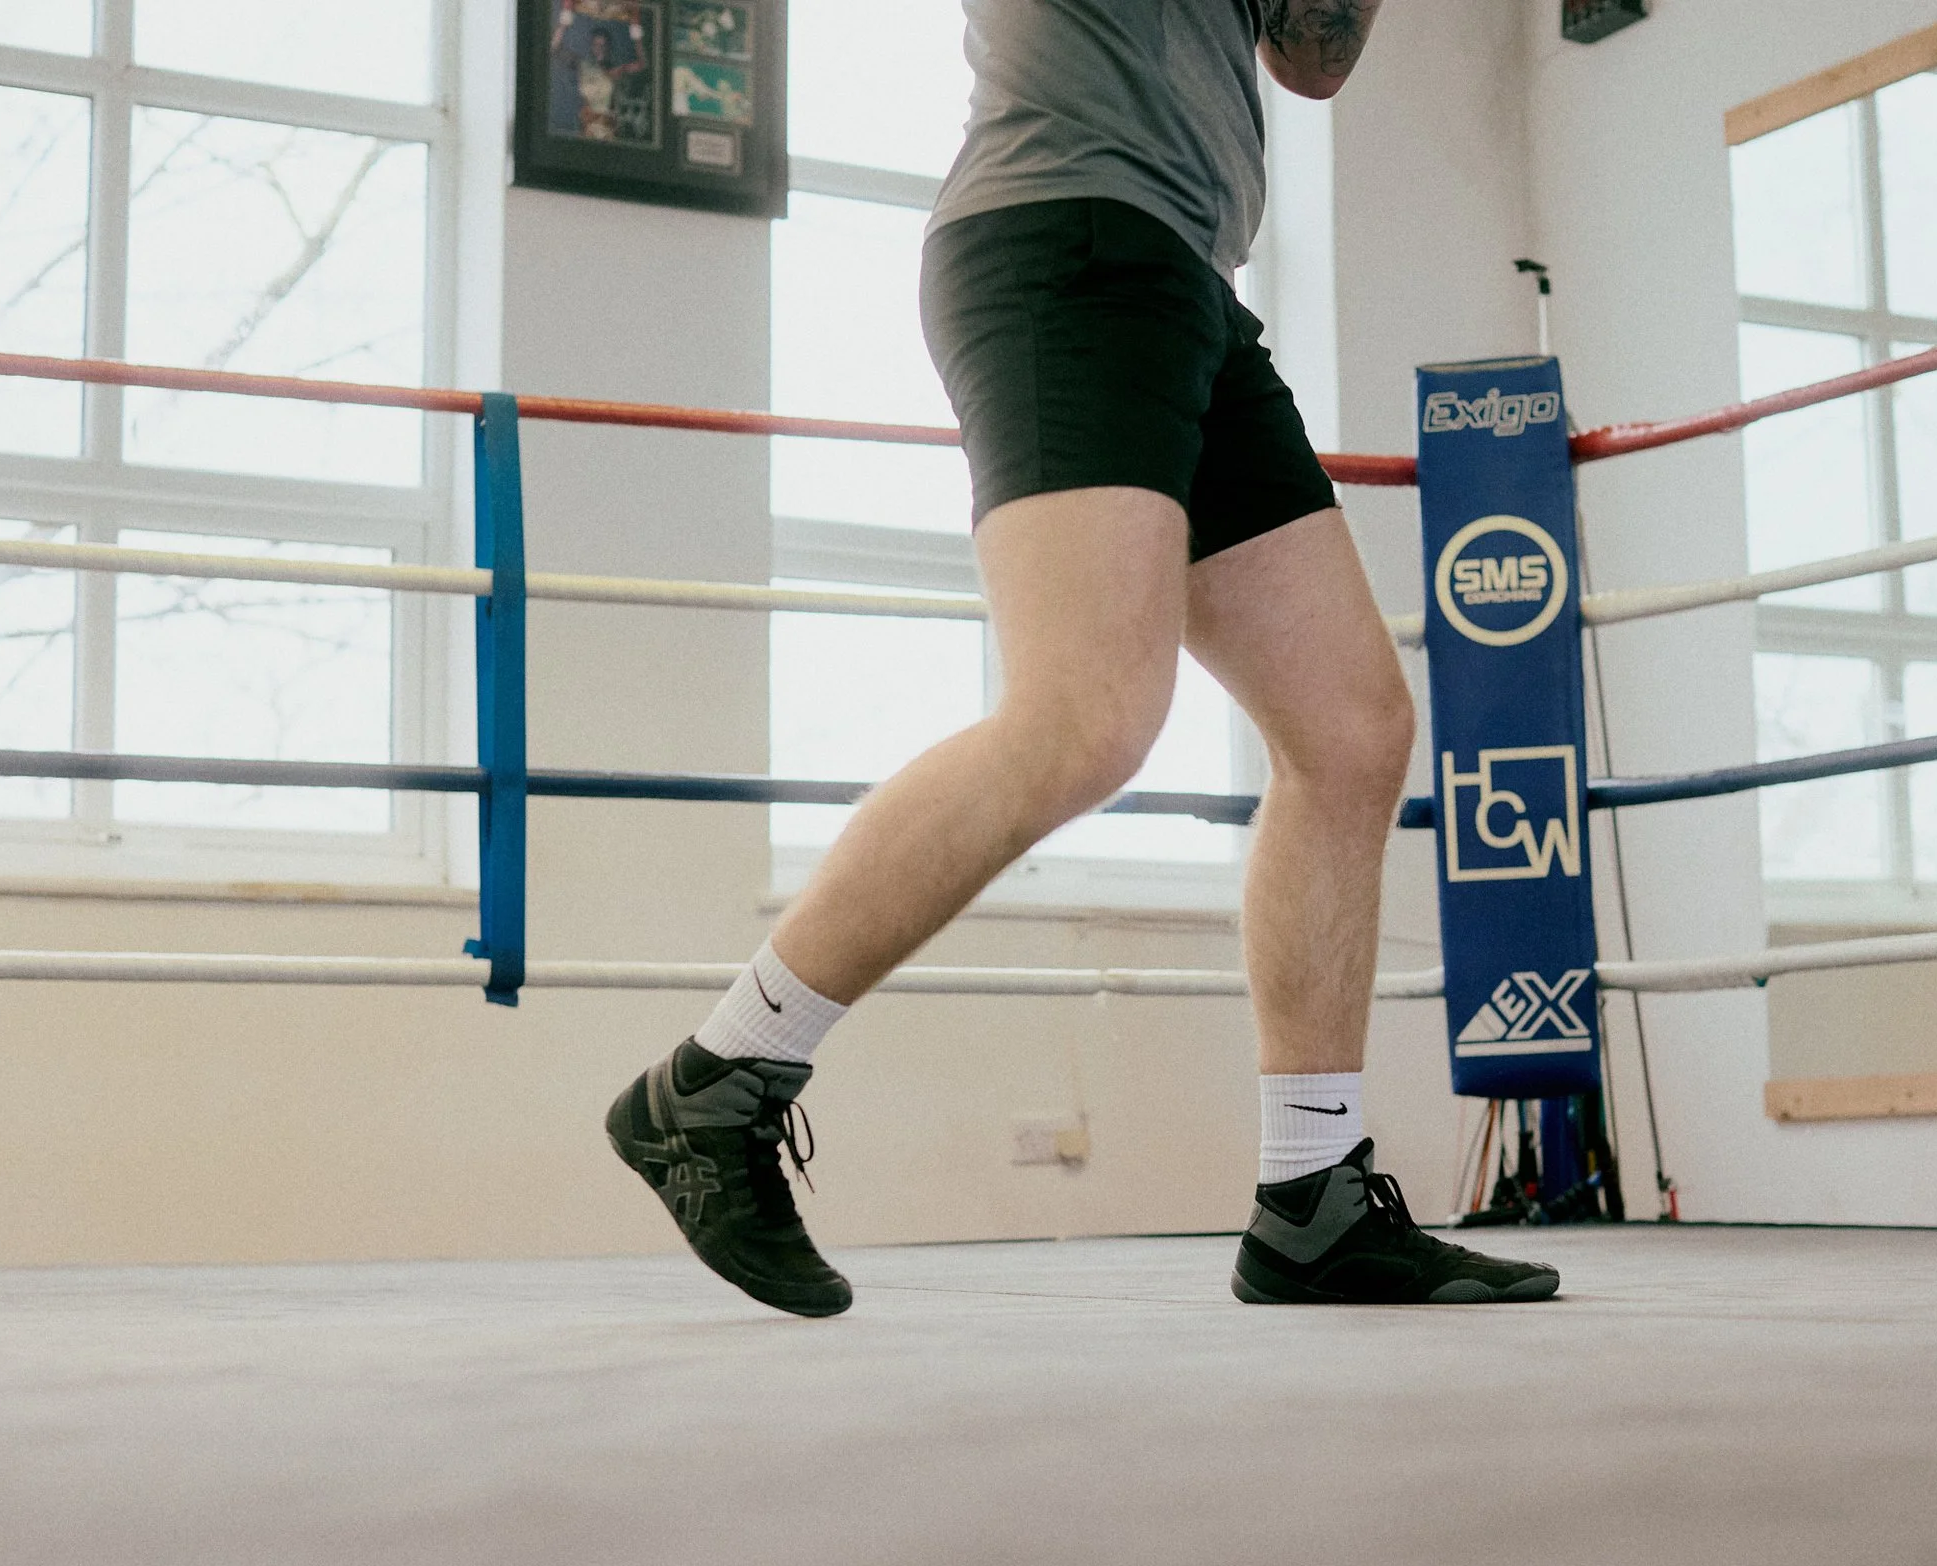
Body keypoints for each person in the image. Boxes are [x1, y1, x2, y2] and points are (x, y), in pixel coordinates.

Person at [605, 0, 1560, 1316]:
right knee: (1086, 717)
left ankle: (1314, 1196)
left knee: (1350, 730)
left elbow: (1315, 57)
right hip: (1066, 241)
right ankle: (719, 1079)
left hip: (1185, 279)